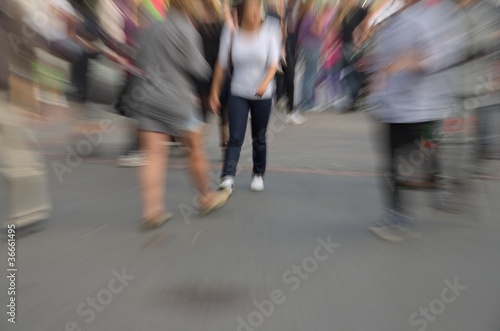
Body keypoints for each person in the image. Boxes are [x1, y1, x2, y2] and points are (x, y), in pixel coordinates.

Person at [366, 0, 467, 241]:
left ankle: (425, 194)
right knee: (392, 163)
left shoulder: (430, 16)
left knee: (419, 153)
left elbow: (448, 52)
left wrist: (414, 61)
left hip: (421, 108)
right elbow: (385, 60)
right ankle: (397, 214)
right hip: (393, 107)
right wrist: (376, 82)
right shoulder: (393, 21)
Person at [124, 0, 231, 228]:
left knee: (153, 154)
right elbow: (198, 68)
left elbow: (138, 58)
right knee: (194, 148)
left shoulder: (151, 28)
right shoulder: (185, 29)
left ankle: (152, 210)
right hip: (176, 99)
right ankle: (206, 196)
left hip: (146, 97)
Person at [210, 0, 281, 193]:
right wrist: (214, 92)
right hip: (238, 91)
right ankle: (227, 176)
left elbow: (274, 62)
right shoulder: (231, 30)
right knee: (235, 137)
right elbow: (222, 63)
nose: (255, 10)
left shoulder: (271, 27)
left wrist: (265, 83)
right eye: (251, 6)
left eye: (258, 6)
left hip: (263, 93)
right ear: (242, 9)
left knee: (259, 136)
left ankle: (258, 174)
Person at [0, 0, 52, 229]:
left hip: (9, 84)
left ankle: (28, 211)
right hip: (12, 80)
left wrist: (35, 90)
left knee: (13, 148)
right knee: (15, 146)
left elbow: (29, 44)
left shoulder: (9, 5)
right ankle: (31, 209)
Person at [196, 0, 230, 158]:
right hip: (214, 71)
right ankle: (224, 146)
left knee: (207, 110)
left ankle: (200, 145)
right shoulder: (222, 25)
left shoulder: (197, 25)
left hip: (207, 71)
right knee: (220, 111)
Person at [295, 0, 329, 115]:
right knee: (310, 75)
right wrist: (323, 28)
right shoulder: (314, 17)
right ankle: (307, 102)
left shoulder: (302, 17)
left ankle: (304, 101)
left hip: (304, 47)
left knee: (305, 75)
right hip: (313, 47)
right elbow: (317, 32)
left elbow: (299, 36)